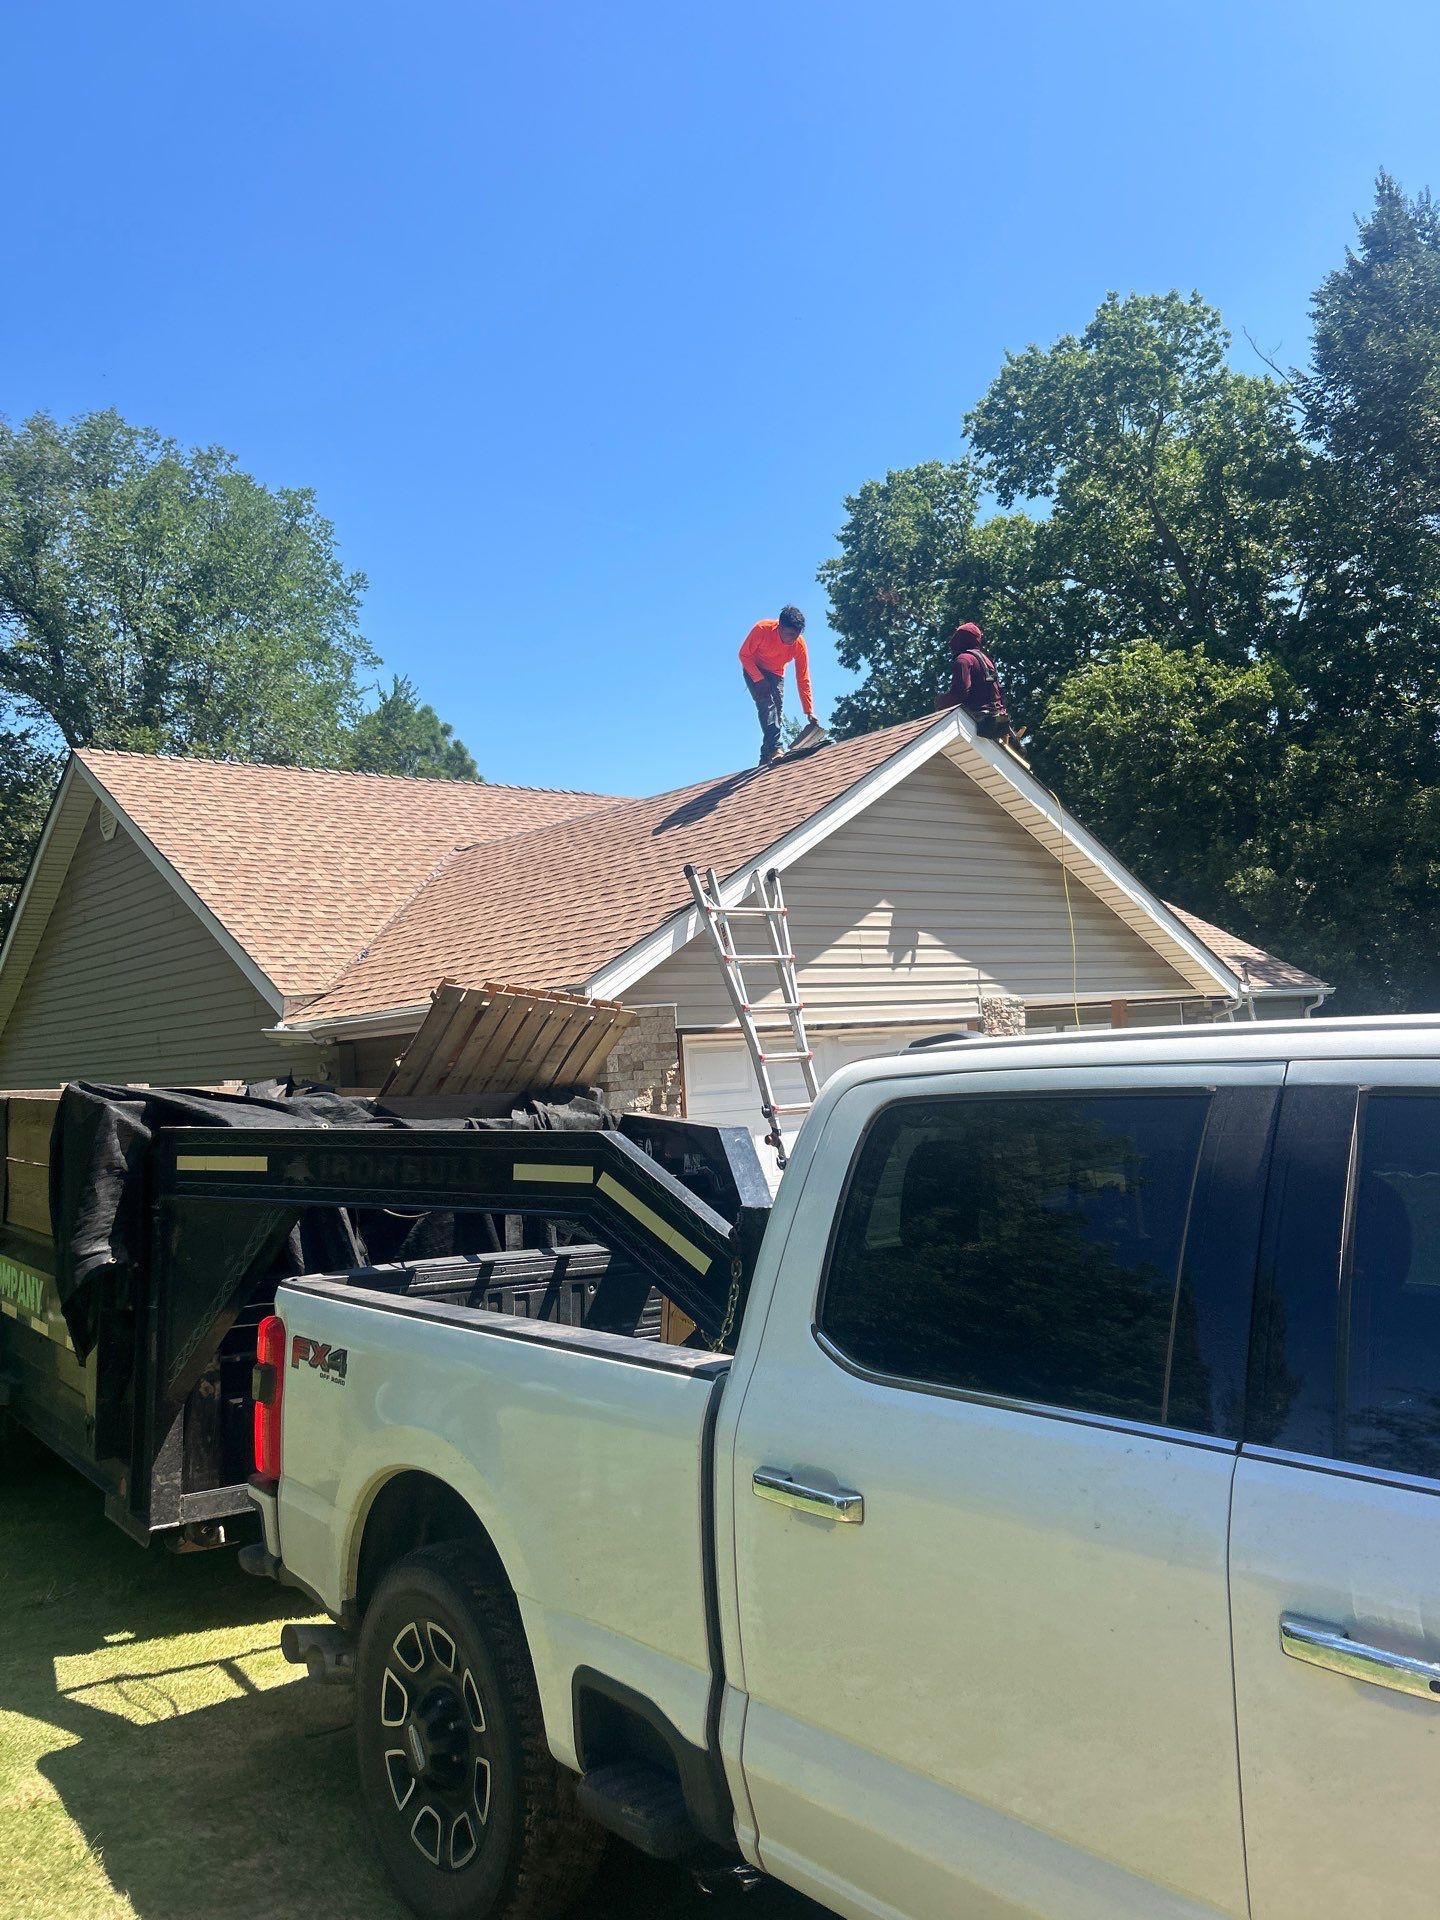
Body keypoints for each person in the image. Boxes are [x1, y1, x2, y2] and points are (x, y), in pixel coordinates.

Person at [739, 605, 816, 765]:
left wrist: (809, 711)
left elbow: (803, 678)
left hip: (776, 673)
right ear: (779, 627)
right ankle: (775, 748)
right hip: (754, 667)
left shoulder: (799, 645)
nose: (792, 639)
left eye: (796, 635)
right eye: (789, 634)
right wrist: (759, 680)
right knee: (766, 705)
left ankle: (765, 756)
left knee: (777, 711)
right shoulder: (762, 629)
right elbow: (744, 655)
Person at [937, 621, 1010, 737]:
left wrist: (941, 702)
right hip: (997, 717)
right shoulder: (987, 660)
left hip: (980, 718)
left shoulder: (964, 659)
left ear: (960, 639)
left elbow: (960, 693)